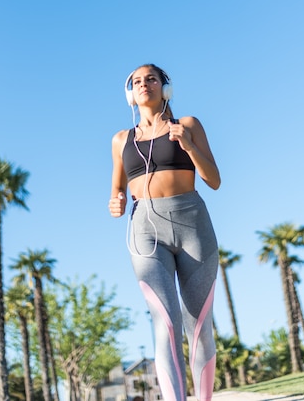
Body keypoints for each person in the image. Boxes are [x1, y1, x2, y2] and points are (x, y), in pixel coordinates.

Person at [109, 63, 220, 401]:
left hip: (192, 222)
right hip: (145, 231)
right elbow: (117, 188)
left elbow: (213, 180)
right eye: (137, 81)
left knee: (198, 326)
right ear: (130, 94)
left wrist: (188, 144)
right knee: (165, 322)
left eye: (151, 78)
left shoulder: (187, 125)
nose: (145, 84)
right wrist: (114, 201)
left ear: (165, 88)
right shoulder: (120, 140)